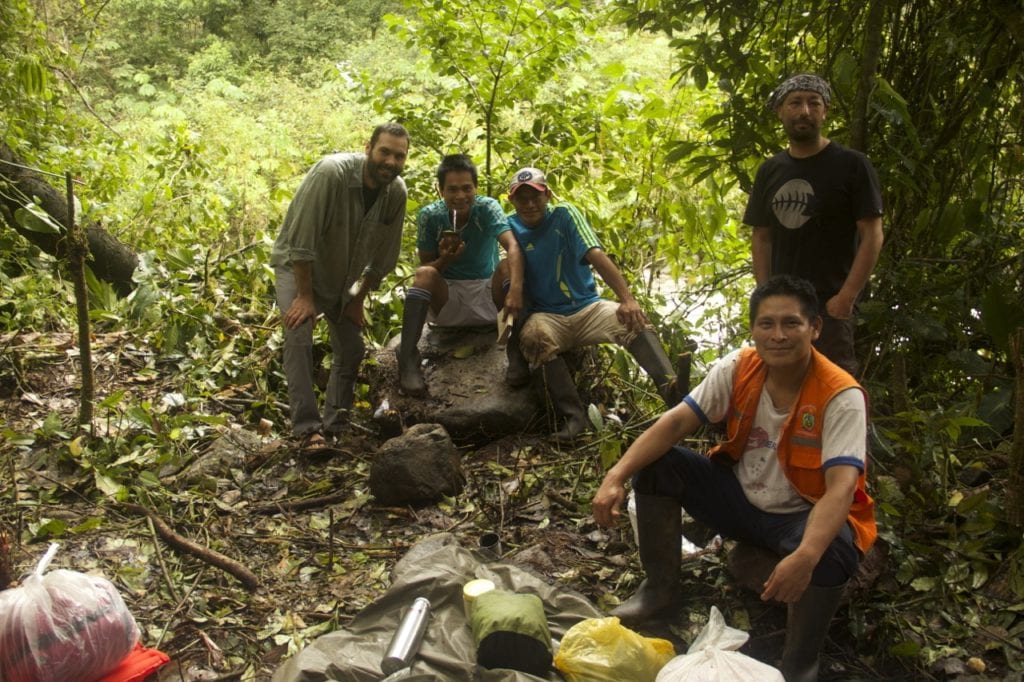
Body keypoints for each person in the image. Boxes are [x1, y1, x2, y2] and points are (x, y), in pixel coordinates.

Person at [592, 274, 877, 681]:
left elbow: (841, 489)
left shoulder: (840, 394)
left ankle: (800, 661)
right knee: (658, 464)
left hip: (800, 513)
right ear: (754, 329)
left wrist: (805, 557)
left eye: (791, 323)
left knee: (830, 552)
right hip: (741, 498)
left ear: (814, 328)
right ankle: (660, 588)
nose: (777, 335)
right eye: (767, 324)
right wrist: (616, 474)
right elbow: (675, 424)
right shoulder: (741, 366)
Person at [506, 167, 678, 443]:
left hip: (587, 307)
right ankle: (575, 418)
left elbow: (595, 254)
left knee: (634, 322)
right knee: (535, 337)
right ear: (512, 200)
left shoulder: (564, 215)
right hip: (547, 314)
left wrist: (627, 299)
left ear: (547, 195)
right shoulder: (509, 226)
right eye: (521, 198)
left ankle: (675, 396)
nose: (529, 204)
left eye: (535, 197)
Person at [271, 123, 410, 451]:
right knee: (299, 332)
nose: (390, 161)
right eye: (384, 152)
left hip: (343, 277)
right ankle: (307, 429)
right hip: (299, 270)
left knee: (351, 347)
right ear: (368, 148)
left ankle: (335, 426)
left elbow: (383, 259)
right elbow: (300, 241)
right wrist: (305, 297)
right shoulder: (331, 174)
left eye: (399, 156)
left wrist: (356, 300)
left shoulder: (396, 192)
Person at [745, 73, 884, 375]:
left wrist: (846, 297)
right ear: (781, 111)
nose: (804, 111)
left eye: (813, 103)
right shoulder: (770, 170)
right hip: (782, 305)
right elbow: (762, 236)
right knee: (780, 382)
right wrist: (765, 293)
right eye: (795, 103)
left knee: (834, 385)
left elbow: (872, 234)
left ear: (825, 111)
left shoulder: (852, 165)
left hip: (830, 303)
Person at [397, 154, 525, 396]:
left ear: (475, 187)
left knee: (508, 265)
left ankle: (515, 351)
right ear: (440, 190)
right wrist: (446, 259)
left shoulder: (487, 208)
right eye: (452, 189)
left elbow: (513, 246)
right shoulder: (431, 216)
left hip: (487, 296)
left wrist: (516, 290)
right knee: (424, 273)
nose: (459, 196)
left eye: (466, 188)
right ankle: (406, 357)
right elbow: (427, 269)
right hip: (448, 300)